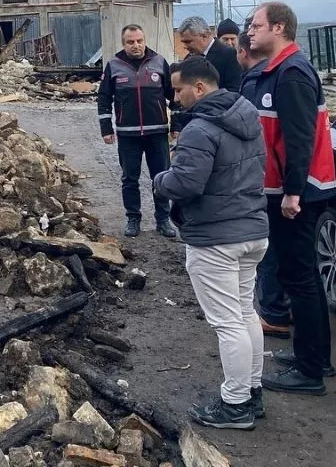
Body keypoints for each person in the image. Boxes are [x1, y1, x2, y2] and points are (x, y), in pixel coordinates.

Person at [153, 56, 270, 429]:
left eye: (178, 89)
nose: (175, 97)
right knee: (245, 312)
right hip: (253, 231)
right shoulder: (247, 113)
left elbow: (187, 183)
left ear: (199, 87)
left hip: (216, 238)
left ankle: (235, 404)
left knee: (227, 323)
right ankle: (252, 392)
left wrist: (159, 181)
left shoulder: (200, 129)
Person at [241, 2, 336, 395]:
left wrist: (293, 193)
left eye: (256, 24)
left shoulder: (292, 74)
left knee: (300, 278)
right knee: (301, 276)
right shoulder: (274, 70)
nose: (249, 31)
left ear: (278, 28)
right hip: (284, 191)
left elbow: (301, 139)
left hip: (293, 195)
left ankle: (311, 370)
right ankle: (314, 356)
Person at [97, 25, 176, 238]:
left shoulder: (159, 62)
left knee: (160, 177)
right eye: (131, 42)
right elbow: (103, 99)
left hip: (157, 133)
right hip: (128, 134)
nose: (136, 45)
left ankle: (163, 219)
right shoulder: (114, 65)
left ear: (145, 40)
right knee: (129, 178)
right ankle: (133, 218)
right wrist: (106, 128)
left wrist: (175, 126)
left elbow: (174, 97)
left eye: (139, 40)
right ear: (124, 43)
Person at [238, 29, 292, 338]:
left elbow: (250, 133)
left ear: (244, 52)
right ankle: (285, 306)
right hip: (284, 181)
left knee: (267, 248)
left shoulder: (256, 82)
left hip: (267, 181)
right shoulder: (280, 75)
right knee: (286, 248)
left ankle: (273, 312)